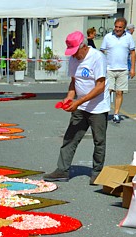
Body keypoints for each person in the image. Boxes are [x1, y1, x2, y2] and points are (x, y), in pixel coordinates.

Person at [43, 31, 109, 186]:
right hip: (80, 105)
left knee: (99, 140)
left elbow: (100, 86)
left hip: (98, 107)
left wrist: (79, 102)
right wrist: (69, 97)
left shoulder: (97, 57)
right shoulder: (73, 60)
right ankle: (62, 170)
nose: (74, 56)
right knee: (70, 137)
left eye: (75, 52)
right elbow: (74, 81)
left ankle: (97, 172)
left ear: (83, 46)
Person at [100, 17, 136, 124]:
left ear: (124, 28)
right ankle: (104, 113)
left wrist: (132, 68)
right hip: (109, 69)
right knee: (107, 91)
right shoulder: (108, 37)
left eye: (120, 27)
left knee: (119, 92)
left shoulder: (129, 37)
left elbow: (133, 53)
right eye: (116, 27)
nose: (117, 29)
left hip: (123, 69)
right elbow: (101, 52)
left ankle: (116, 113)